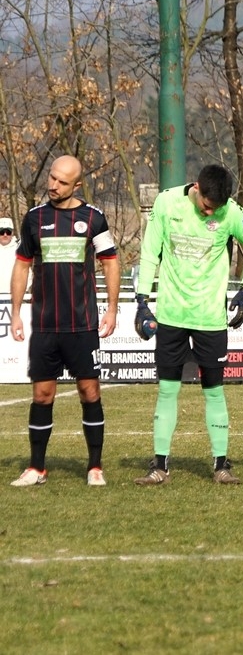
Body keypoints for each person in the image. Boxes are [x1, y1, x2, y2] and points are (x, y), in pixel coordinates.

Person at [133, 164, 243, 486]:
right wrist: (142, 300)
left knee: (214, 391)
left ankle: (221, 465)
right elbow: (150, 252)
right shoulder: (166, 203)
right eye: (206, 205)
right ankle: (160, 465)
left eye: (216, 208)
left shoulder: (232, 212)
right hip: (171, 316)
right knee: (167, 389)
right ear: (196, 188)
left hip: (210, 319)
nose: (210, 212)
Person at [9, 155, 120, 487]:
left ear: (77, 185)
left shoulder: (93, 218)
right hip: (45, 326)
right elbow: (22, 265)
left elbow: (110, 262)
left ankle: (95, 467)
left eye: (62, 181)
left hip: (82, 325)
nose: (53, 185)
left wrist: (112, 309)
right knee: (42, 394)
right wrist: (16, 312)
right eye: (52, 178)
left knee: (89, 391)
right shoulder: (34, 218)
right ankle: (36, 468)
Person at [0, 216, 20, 294]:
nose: (5, 235)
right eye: (1, 232)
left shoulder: (20, 249)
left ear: (12, 233)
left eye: (8, 232)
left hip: (15, 295)